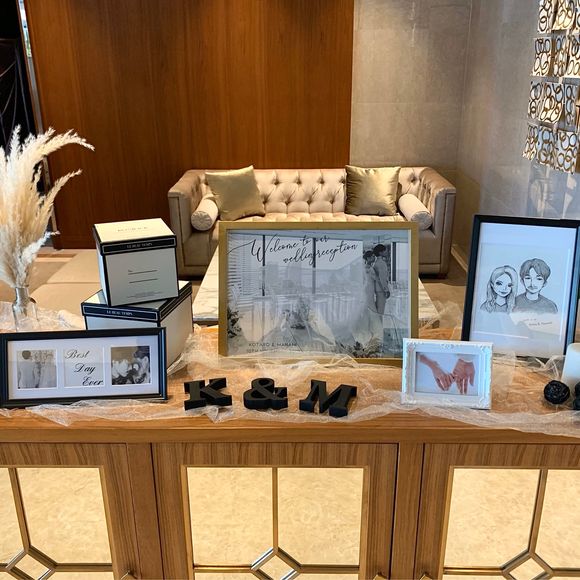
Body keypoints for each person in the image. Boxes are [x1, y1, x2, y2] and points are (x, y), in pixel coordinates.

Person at [372, 244, 390, 314]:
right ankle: (379, 321)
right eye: (385, 250)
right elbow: (382, 278)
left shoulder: (376, 263)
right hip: (381, 290)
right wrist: (386, 290)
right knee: (380, 311)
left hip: (378, 289)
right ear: (380, 252)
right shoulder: (381, 263)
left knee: (379, 309)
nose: (387, 252)